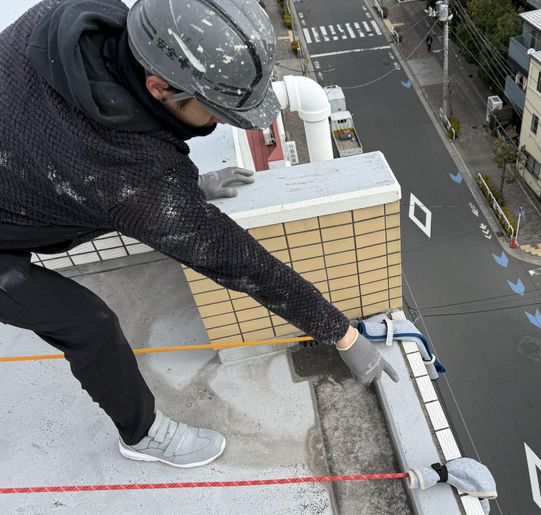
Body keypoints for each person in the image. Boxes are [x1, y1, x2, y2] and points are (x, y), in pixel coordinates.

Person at [0, 0, 397, 469]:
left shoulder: (74, 15)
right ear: (159, 85)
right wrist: (344, 335)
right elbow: (243, 265)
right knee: (89, 325)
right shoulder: (124, 174)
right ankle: (142, 434)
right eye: (215, 109)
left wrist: (183, 187)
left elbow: (110, 154)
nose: (225, 121)